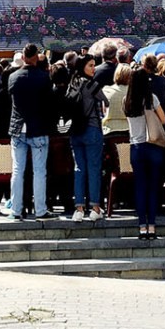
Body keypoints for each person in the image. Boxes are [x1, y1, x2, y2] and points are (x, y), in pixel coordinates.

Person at [7, 43, 55, 219]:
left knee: (18, 170)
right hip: (38, 127)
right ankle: (40, 209)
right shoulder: (44, 78)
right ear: (36, 57)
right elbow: (49, 104)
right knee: (39, 171)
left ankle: (15, 210)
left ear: (23, 57)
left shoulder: (13, 77)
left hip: (18, 127)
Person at [123, 62, 165, 240]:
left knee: (140, 187)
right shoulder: (152, 99)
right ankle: (152, 226)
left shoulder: (126, 101)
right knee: (153, 187)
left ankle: (142, 226)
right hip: (153, 146)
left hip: (135, 146)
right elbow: (163, 120)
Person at [65, 54, 107, 220]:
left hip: (75, 132)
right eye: (90, 65)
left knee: (79, 169)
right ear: (83, 66)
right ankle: (95, 207)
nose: (93, 68)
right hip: (92, 129)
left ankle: (79, 208)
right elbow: (106, 101)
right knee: (94, 168)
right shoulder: (92, 85)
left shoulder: (72, 84)